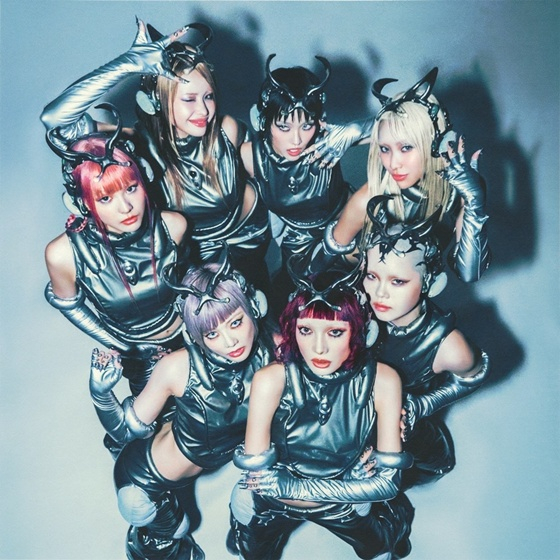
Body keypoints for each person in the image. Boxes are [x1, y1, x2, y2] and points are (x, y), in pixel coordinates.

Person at [40, 18, 271, 293]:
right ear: (159, 100)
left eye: (208, 97)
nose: (203, 111)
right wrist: (128, 64)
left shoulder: (227, 129)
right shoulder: (138, 144)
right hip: (193, 270)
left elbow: (274, 166)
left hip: (252, 250)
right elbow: (56, 121)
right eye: (189, 99)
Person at [88, 259, 274, 559]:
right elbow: (125, 430)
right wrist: (101, 394)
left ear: (254, 306)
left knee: (253, 505)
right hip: (156, 470)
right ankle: (166, 536)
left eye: (236, 322)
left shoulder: (276, 348)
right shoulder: (177, 368)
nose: (230, 342)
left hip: (230, 454)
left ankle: (246, 531)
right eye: (211, 334)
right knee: (147, 515)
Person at [229, 261, 414, 559]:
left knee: (380, 549)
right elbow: (257, 478)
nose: (318, 348)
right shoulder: (270, 380)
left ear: (361, 330)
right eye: (305, 330)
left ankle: (395, 523)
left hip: (341, 502)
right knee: (251, 549)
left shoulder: (383, 380)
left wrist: (299, 488)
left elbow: (388, 486)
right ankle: (243, 529)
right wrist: (350, 486)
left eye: (335, 332)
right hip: (276, 501)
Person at [44, 115, 188, 401]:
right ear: (82, 202)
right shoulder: (63, 255)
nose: (126, 207)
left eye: (131, 188)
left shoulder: (173, 227)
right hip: (141, 363)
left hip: (195, 339)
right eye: (105, 198)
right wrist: (127, 349)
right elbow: (71, 307)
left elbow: (190, 284)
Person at [313, 67, 490, 283]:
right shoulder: (369, 200)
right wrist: (356, 129)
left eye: (406, 148)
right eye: (385, 149)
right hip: (357, 293)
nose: (393, 163)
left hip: (411, 297)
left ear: (433, 143)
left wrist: (474, 202)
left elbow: (469, 273)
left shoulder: (458, 192)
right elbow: (315, 271)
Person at [362, 196, 490, 488]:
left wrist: (421, 405)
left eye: (398, 281)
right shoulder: (359, 308)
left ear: (431, 283)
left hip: (410, 437)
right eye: (371, 276)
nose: (379, 293)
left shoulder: (447, 346)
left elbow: (473, 376)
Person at [241, 54, 373, 314]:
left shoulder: (327, 142)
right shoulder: (250, 156)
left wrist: (355, 130)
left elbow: (405, 129)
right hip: (298, 249)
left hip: (349, 237)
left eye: (307, 125)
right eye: (283, 126)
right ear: (264, 120)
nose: (297, 139)